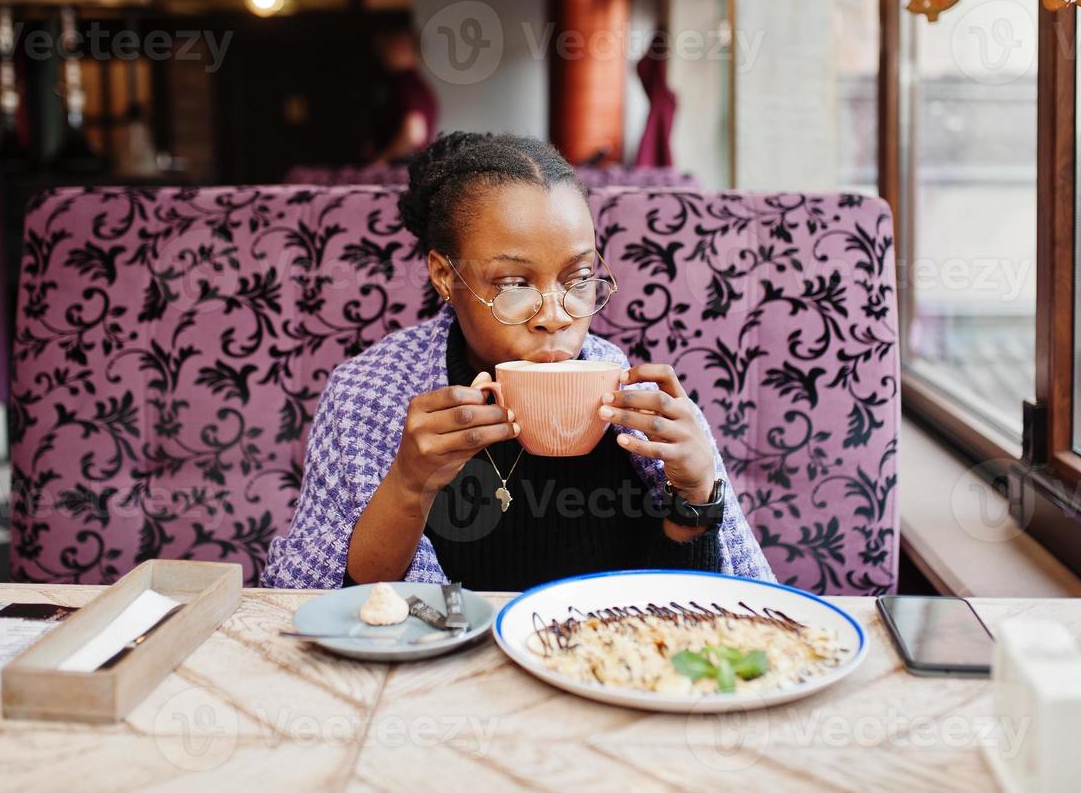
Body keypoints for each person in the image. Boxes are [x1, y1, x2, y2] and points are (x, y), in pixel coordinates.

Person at [261, 132, 773, 591]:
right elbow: (322, 602)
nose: (554, 317)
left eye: (577, 278)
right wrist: (409, 484)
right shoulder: (368, 394)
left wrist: (697, 492)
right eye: (514, 284)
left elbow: (692, 614)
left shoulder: (642, 411)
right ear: (444, 276)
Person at [365, 27, 438, 165]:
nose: (383, 52)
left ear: (403, 47)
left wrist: (382, 160)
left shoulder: (408, 85)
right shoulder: (409, 83)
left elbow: (413, 134)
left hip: (401, 168)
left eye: (390, 44)